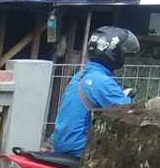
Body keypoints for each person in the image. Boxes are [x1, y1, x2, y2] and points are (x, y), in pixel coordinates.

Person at [51, 27, 140, 158]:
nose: (124, 56)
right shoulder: (102, 81)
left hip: (63, 145)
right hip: (80, 149)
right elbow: (129, 113)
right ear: (113, 52)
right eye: (123, 52)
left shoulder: (81, 75)